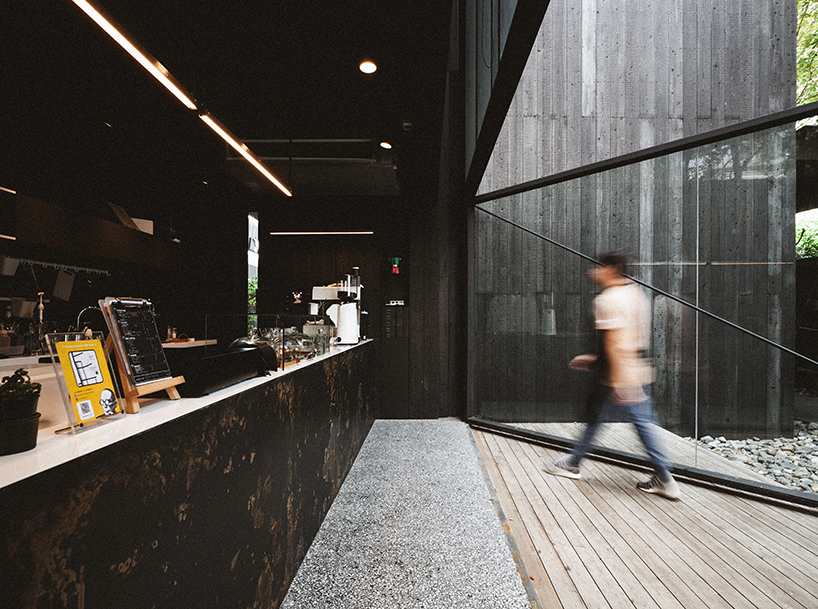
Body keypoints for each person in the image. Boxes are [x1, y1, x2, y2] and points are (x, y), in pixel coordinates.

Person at [550, 251, 680, 500]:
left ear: (611, 269)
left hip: (618, 375)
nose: (592, 272)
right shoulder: (636, 293)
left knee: (639, 424)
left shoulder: (607, 300)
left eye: (597, 267)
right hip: (633, 367)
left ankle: (665, 478)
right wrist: (596, 360)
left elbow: (614, 342)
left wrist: (621, 382)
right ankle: (574, 461)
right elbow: (631, 336)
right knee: (602, 417)